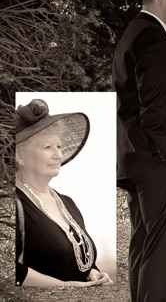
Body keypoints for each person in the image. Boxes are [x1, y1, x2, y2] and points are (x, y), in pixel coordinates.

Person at [113, 0, 166, 301]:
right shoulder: (152, 36)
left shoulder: (134, 30)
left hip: (137, 159)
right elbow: (154, 107)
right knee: (159, 256)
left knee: (144, 247)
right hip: (156, 164)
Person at [14, 100, 112, 287]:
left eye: (58, 147)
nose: (58, 155)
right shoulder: (14, 203)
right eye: (47, 147)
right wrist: (65, 287)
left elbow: (79, 259)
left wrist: (94, 273)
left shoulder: (67, 203)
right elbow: (11, 270)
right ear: (20, 156)